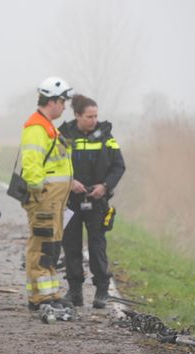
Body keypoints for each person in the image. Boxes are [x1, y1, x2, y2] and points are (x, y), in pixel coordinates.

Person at [59, 94, 125, 308]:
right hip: (70, 200)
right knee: (71, 245)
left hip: (97, 201)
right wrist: (69, 182)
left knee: (97, 246)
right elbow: (54, 163)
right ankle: (75, 291)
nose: (94, 120)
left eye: (96, 116)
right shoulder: (64, 135)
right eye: (89, 116)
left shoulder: (106, 136)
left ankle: (102, 292)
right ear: (77, 115)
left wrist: (105, 186)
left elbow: (118, 166)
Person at [20, 77, 75, 310]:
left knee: (51, 247)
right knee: (41, 247)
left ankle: (50, 294)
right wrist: (39, 195)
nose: (65, 106)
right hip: (45, 198)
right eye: (63, 101)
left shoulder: (48, 126)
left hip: (54, 199)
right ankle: (39, 297)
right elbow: (32, 165)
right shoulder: (37, 127)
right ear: (52, 101)